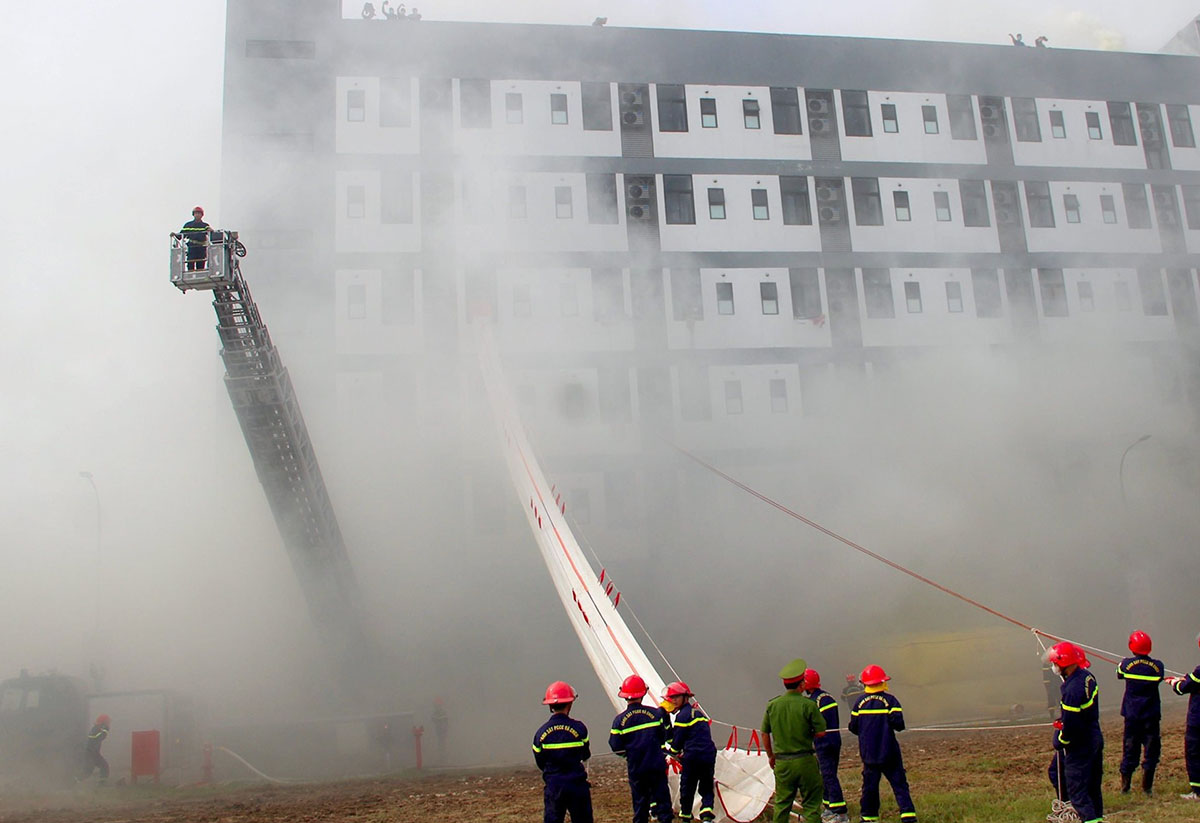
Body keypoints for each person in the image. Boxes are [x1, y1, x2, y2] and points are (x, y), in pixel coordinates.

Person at [849, 665, 916, 823]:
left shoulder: (859, 703)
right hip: (889, 752)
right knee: (900, 785)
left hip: (869, 754)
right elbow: (898, 724)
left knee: (870, 788)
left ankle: (869, 818)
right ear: (882, 682)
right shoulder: (891, 701)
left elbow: (853, 727)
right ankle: (908, 817)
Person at [762, 659, 827, 823]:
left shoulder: (773, 705)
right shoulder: (808, 705)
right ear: (802, 684)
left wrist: (770, 756)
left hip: (782, 763)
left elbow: (764, 733)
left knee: (782, 804)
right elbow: (821, 732)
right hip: (805, 761)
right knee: (811, 805)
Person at [1046, 641, 1103, 823]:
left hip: (1079, 745)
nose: (1054, 667)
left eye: (1055, 663)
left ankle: (1086, 817)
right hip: (1093, 737)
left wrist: (1060, 739)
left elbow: (1071, 725)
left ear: (1065, 664)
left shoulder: (1072, 690)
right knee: (1091, 787)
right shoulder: (1087, 677)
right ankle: (1084, 813)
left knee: (1078, 792)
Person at [609, 674, 673, 823]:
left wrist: (629, 755)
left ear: (625, 696)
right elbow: (663, 737)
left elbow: (615, 745)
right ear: (643, 694)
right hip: (656, 766)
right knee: (663, 803)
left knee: (640, 806)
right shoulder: (656, 714)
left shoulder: (619, 721)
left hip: (636, 768)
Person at [533, 681, 593, 823]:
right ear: (570, 703)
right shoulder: (580, 728)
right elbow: (585, 754)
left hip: (554, 786)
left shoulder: (541, 733)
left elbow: (540, 761)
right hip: (577, 785)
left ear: (550, 706)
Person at [1117, 630, 1164, 795]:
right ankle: (1147, 788)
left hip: (1132, 716)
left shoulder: (1125, 664)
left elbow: (1119, 674)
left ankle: (1125, 787)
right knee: (1151, 751)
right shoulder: (1158, 666)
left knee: (1130, 750)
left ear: (1131, 646)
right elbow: (1159, 677)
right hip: (1151, 715)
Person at [665, 681, 717, 823]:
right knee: (707, 786)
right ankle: (707, 815)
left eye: (676, 697)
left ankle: (686, 816)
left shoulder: (682, 716)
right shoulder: (699, 713)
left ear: (685, 697)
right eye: (672, 698)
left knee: (687, 787)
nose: (673, 701)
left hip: (692, 757)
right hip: (708, 755)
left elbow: (677, 742)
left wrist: (672, 751)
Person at [803, 668, 847, 823]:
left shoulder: (813, 701)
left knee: (828, 775)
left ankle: (839, 812)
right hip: (834, 740)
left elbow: (813, 724)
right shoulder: (827, 696)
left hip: (824, 742)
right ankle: (829, 806)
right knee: (827, 775)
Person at [1166, 631, 1200, 801]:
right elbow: (1192, 682)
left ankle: (1197, 791)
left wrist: (1175, 682)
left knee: (1194, 754)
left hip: (1197, 720)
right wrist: (1186, 679)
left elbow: (1183, 688)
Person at [80, 713, 110, 783]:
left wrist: (105, 730)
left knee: (102, 767)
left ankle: (102, 783)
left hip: (93, 752)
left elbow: (100, 737)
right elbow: (99, 736)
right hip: (91, 753)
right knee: (101, 767)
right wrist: (105, 729)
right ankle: (72, 782)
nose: (109, 723)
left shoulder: (99, 728)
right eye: (107, 721)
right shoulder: (97, 728)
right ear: (104, 721)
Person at [181, 206, 211, 271]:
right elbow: (181, 235)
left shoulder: (205, 226)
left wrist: (211, 231)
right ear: (193, 214)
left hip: (201, 248)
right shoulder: (188, 225)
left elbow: (211, 234)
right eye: (196, 213)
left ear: (202, 215)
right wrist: (174, 234)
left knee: (200, 266)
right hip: (192, 248)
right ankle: (190, 275)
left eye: (199, 213)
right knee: (190, 264)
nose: (197, 215)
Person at [432, 697, 449, 763]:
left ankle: (442, 756)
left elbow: (446, 720)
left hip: (442, 730)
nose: (437, 707)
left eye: (437, 705)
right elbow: (433, 719)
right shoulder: (436, 712)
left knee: (442, 743)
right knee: (440, 742)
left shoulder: (443, 712)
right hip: (439, 730)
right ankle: (441, 756)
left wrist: (443, 724)